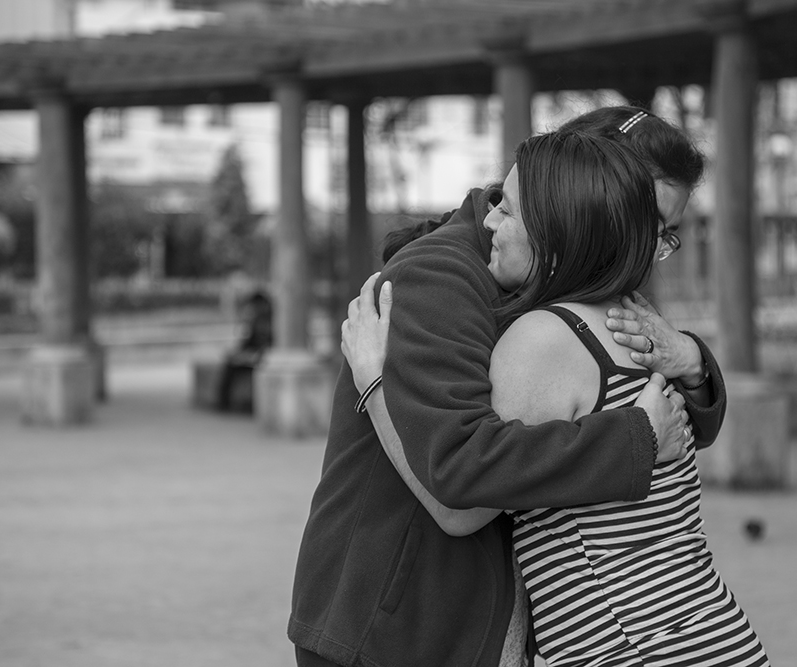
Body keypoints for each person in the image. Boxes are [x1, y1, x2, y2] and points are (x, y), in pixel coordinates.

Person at [289, 106, 726, 667]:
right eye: (641, 222)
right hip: (389, 630)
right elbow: (461, 477)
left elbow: (678, 423)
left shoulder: (565, 283)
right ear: (576, 190)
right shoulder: (440, 277)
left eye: (663, 235)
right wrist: (632, 440)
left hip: (482, 627)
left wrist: (689, 358)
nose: (644, 249)